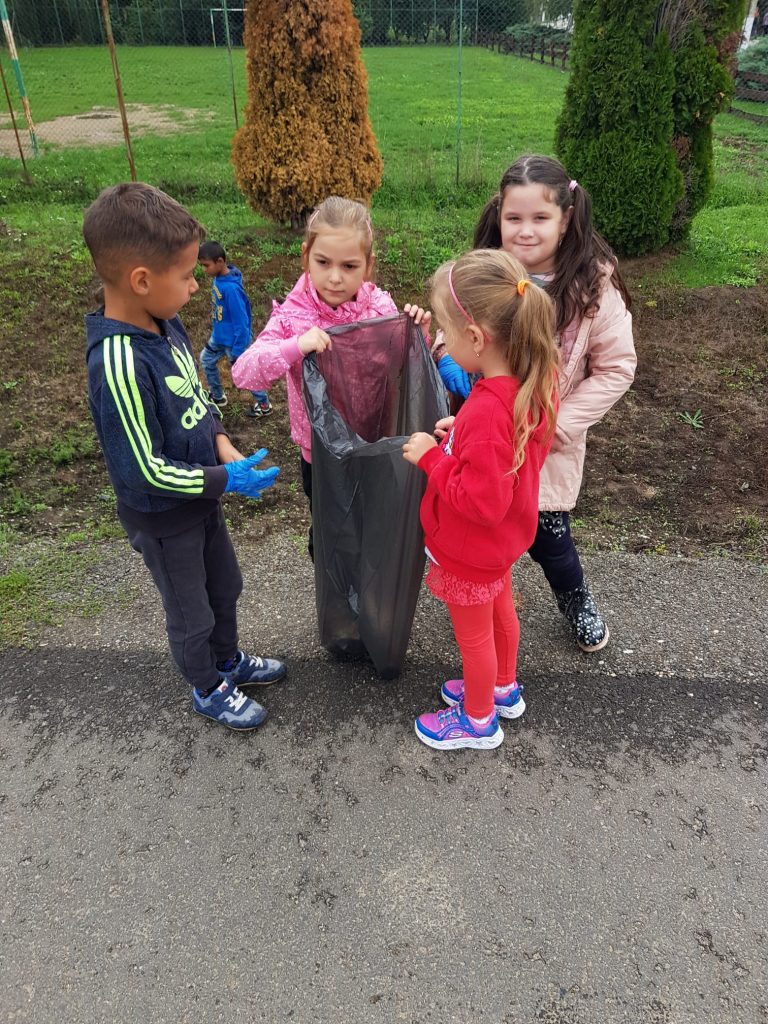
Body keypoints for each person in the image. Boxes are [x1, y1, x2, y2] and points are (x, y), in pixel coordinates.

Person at [83, 182, 286, 732]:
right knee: (191, 612)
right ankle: (206, 685)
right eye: (188, 275)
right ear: (142, 281)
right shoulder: (119, 364)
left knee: (225, 587)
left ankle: (228, 661)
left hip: (200, 497)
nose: (197, 286)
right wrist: (224, 480)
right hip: (165, 517)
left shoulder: (164, 321)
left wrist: (223, 445)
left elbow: (195, 399)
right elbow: (142, 471)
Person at [435, 155, 636, 653]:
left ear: (565, 219)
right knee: (479, 520)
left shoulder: (592, 287)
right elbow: (453, 324)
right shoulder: (484, 272)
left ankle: (575, 598)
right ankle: (491, 590)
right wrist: (446, 355)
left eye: (540, 218)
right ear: (499, 215)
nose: (525, 231)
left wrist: (556, 425)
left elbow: (616, 367)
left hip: (544, 447)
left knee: (550, 537)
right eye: (514, 218)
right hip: (483, 433)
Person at [403, 249, 559, 751]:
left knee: (474, 637)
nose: (442, 340)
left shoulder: (489, 409)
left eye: (445, 330)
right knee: (500, 613)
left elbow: (481, 500)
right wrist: (460, 435)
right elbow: (503, 455)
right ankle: (502, 689)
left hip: (471, 546)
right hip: (502, 542)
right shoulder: (530, 383)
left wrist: (433, 458)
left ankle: (477, 720)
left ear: (475, 338)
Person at [232, 195, 430, 559]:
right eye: (323, 262)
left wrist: (418, 334)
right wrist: (295, 346)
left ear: (368, 265)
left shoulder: (380, 307)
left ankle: (369, 580)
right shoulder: (292, 317)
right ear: (306, 256)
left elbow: (400, 365)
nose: (335, 277)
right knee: (331, 532)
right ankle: (334, 584)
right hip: (320, 455)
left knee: (372, 522)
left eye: (349, 266)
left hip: (373, 443)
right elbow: (244, 373)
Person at [198, 240, 272, 417]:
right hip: (218, 338)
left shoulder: (231, 289)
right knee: (206, 360)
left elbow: (242, 322)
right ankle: (218, 396)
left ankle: (264, 405)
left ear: (220, 262)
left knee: (246, 373)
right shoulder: (218, 279)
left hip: (234, 343)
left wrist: (239, 349)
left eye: (206, 265)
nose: (204, 270)